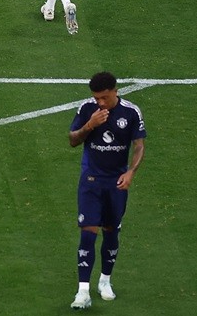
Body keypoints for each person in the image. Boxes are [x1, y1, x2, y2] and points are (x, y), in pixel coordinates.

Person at [68, 72, 146, 310]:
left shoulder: (131, 112)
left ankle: (105, 281)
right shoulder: (86, 109)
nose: (99, 102)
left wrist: (131, 172)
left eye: (104, 97)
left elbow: (139, 146)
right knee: (88, 232)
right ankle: (83, 291)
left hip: (116, 184)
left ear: (115, 90)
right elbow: (72, 140)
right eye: (96, 98)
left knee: (111, 232)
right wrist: (89, 125)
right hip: (91, 181)